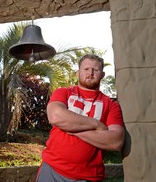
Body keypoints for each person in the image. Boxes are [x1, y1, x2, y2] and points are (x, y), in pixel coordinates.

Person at [36, 54, 125, 182]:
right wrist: (96, 125)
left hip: (88, 176)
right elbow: (56, 116)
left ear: (102, 75)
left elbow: (116, 141)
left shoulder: (111, 105)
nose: (90, 73)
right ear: (78, 73)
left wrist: (70, 128)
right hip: (52, 169)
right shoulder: (63, 93)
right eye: (86, 69)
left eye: (95, 70)